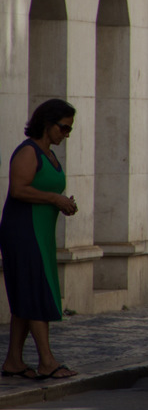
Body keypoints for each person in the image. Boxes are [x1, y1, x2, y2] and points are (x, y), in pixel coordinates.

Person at [1, 99, 80, 380]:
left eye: (69, 129)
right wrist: (54, 199)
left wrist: (63, 202)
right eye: (64, 128)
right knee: (35, 291)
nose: (66, 134)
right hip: (24, 231)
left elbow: (47, 190)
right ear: (47, 123)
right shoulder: (28, 152)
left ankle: (13, 361)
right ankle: (47, 361)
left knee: (26, 292)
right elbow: (19, 189)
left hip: (43, 233)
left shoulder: (50, 154)